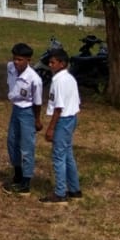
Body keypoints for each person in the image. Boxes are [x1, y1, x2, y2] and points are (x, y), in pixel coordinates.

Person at [41, 49, 82, 203]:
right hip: (71, 118)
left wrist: (51, 128)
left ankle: (60, 192)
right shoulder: (70, 78)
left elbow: (58, 107)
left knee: (58, 156)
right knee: (68, 155)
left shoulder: (58, 80)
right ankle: (74, 189)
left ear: (62, 63)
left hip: (63, 120)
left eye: (53, 62)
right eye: (50, 62)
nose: (50, 65)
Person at [3, 42, 43, 195]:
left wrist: (37, 119)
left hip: (28, 111)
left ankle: (26, 181)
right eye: (15, 59)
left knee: (27, 146)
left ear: (28, 60)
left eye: (20, 60)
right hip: (16, 108)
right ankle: (17, 173)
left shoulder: (34, 79)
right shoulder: (10, 68)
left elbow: (37, 102)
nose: (16, 62)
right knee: (12, 141)